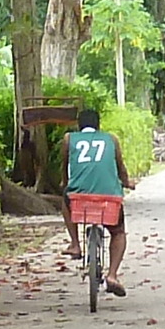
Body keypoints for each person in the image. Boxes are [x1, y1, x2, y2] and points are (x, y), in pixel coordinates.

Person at [62, 116, 134, 297]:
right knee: (118, 232)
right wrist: (127, 182)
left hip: (79, 196)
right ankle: (112, 275)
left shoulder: (69, 138)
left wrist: (66, 185)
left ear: (79, 125)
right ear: (98, 125)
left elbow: (65, 166)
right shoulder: (111, 139)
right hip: (108, 197)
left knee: (64, 199)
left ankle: (75, 244)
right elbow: (120, 167)